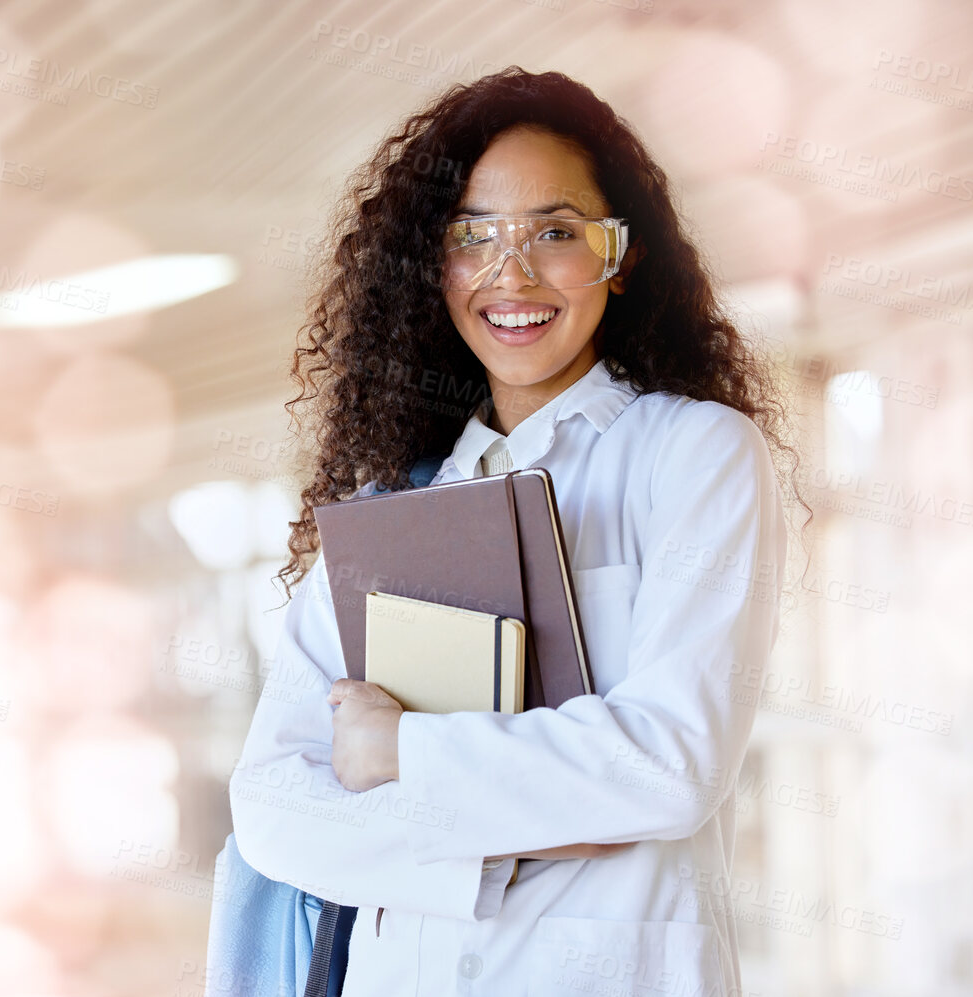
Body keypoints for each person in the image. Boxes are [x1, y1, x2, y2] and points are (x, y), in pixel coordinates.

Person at [229, 68, 801, 995]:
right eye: (473, 238)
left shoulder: (693, 455)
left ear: (622, 256)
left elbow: (669, 762)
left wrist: (398, 755)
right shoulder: (390, 506)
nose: (514, 273)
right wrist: (510, 839)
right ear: (433, 265)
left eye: (557, 233)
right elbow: (271, 805)